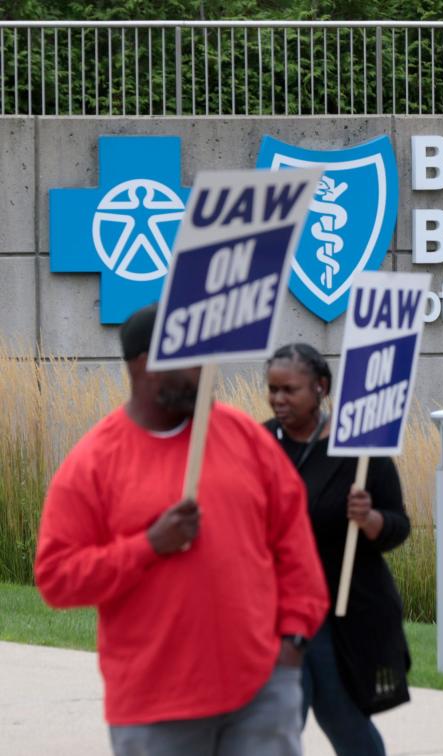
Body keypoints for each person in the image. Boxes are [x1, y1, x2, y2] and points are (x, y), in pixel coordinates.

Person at [34, 304, 328, 756]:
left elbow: (293, 542)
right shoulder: (93, 463)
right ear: (144, 365)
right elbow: (56, 578)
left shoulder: (246, 438)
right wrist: (148, 546)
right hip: (155, 705)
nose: (208, 371)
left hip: (260, 693)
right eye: (192, 361)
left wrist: (291, 644)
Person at [264, 342, 411, 756]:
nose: (278, 399)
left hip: (336, 615)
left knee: (343, 718)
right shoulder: (257, 443)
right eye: (272, 389)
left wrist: (369, 520)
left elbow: (398, 525)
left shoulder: (359, 449)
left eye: (289, 390)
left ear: (321, 388)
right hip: (272, 613)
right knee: (275, 723)